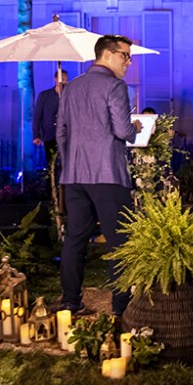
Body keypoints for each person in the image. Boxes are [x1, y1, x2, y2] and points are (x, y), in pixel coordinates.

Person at [56, 35, 143, 316]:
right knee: (119, 241)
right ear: (107, 54)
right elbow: (122, 131)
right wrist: (136, 127)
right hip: (108, 174)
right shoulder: (115, 86)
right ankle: (121, 308)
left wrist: (71, 163)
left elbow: (61, 133)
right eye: (125, 56)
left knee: (75, 239)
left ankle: (70, 301)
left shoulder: (71, 87)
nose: (129, 62)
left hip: (74, 175)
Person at [33, 70, 69, 170]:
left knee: (65, 163)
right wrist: (37, 135)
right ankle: (50, 184)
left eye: (66, 79)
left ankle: (64, 184)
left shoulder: (70, 95)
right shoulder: (45, 95)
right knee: (50, 163)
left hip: (66, 134)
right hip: (49, 134)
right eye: (62, 79)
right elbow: (37, 116)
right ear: (56, 79)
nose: (64, 81)